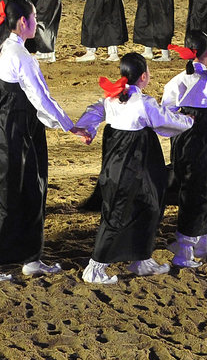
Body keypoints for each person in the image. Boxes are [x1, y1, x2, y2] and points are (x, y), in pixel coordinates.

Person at [0, 0, 82, 282]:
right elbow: (40, 97)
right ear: (23, 22)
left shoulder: (2, 48)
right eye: (34, 17)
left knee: (33, 189)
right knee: (11, 194)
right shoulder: (20, 56)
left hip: (12, 128)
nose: (37, 22)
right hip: (15, 130)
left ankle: (32, 259)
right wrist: (69, 126)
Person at [71, 53, 193, 284]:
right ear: (144, 76)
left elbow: (94, 110)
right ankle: (95, 268)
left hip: (135, 160)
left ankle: (141, 258)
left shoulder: (112, 99)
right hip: (132, 158)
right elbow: (165, 121)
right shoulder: (143, 102)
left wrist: (88, 129)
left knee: (150, 203)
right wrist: (189, 120)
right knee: (119, 210)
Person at [158, 30, 207, 269]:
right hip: (205, 136)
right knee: (206, 186)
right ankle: (186, 248)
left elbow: (166, 111)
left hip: (183, 136)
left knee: (191, 184)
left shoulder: (176, 81)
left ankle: (199, 238)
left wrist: (182, 122)